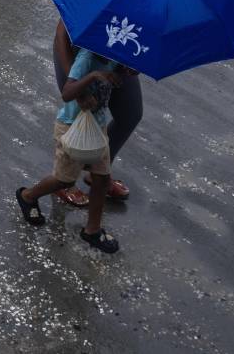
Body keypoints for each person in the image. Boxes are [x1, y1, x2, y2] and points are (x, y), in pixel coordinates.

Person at [16, 45, 124, 254]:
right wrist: (93, 76)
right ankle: (28, 196)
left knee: (102, 178)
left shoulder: (113, 58)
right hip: (71, 127)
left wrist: (119, 75)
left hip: (97, 127)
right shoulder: (86, 57)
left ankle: (92, 229)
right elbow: (67, 93)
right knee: (65, 180)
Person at [51, 18, 141, 206]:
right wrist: (78, 86)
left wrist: (135, 62)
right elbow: (62, 32)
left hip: (115, 56)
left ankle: (98, 174)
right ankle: (63, 181)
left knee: (130, 114)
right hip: (77, 52)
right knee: (77, 117)